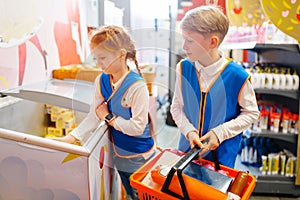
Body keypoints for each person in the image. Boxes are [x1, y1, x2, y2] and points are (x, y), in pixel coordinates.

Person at [55, 25, 156, 199]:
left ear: (121, 54)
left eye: (103, 58)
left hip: (140, 156)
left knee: (141, 195)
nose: (99, 63)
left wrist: (108, 117)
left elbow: (137, 127)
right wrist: (71, 138)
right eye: (96, 58)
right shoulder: (101, 80)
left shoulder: (137, 86)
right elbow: (94, 116)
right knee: (131, 193)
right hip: (119, 154)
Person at [170, 5, 260, 168]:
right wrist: (189, 131)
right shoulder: (183, 68)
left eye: (190, 40)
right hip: (186, 153)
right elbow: (176, 108)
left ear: (213, 42)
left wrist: (220, 133)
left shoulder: (237, 76)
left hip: (221, 160)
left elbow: (251, 113)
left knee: (210, 193)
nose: (184, 46)